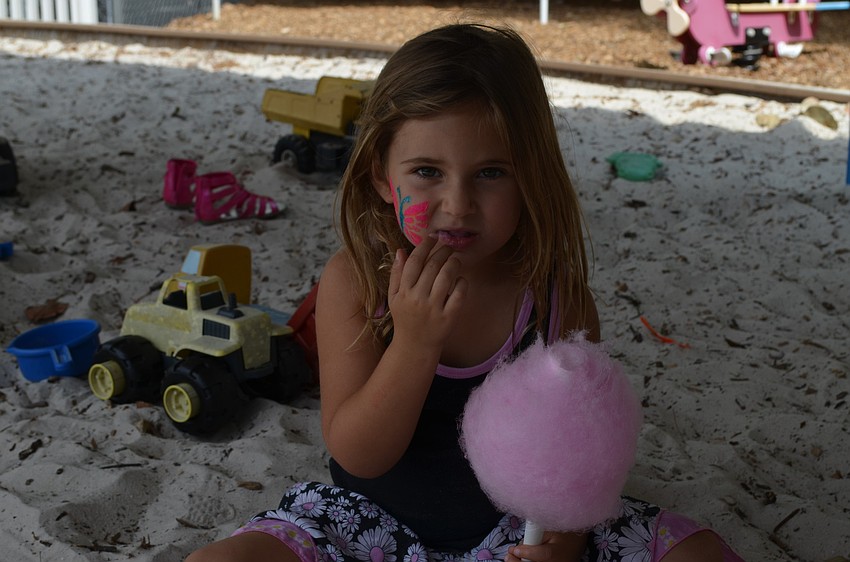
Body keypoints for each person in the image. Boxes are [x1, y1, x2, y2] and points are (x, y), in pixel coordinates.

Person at [186, 23, 744, 562]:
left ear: (531, 176)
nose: (458, 203)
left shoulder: (554, 304)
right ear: (382, 176)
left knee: (698, 552)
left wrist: (563, 544)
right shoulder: (356, 282)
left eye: (491, 173)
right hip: (364, 526)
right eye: (427, 170)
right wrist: (415, 344)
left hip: (512, 533)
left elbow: (577, 462)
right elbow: (359, 454)